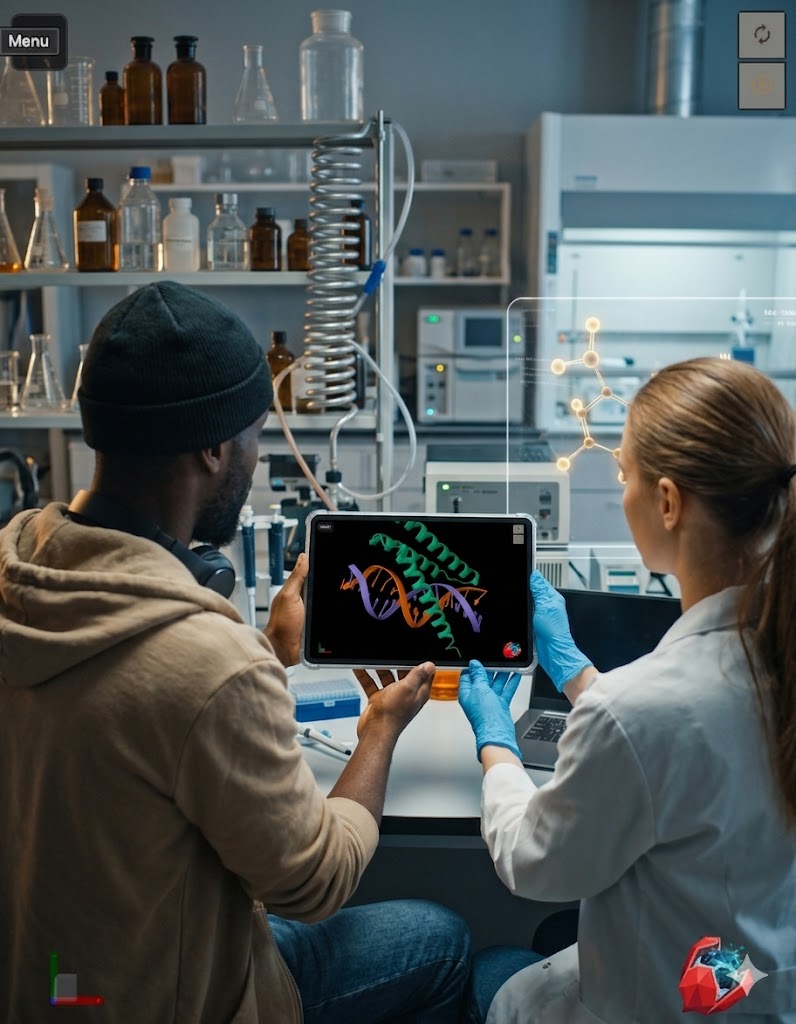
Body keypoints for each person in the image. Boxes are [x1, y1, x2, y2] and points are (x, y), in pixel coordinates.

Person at [0, 281, 470, 1022]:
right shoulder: (210, 666)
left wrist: (262, 651)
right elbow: (312, 884)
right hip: (179, 998)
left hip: (61, 980)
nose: (257, 457)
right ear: (216, 447)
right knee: (442, 938)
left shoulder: (16, 565)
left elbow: (138, 703)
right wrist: (379, 729)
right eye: (256, 435)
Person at [457, 357, 796, 1022]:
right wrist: (577, 672)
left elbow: (535, 862)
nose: (622, 494)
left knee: (494, 973)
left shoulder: (641, 710)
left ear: (668, 502)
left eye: (624, 476)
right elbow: (685, 741)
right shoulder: (765, 659)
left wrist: (495, 742)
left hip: (664, 1003)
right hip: (750, 984)